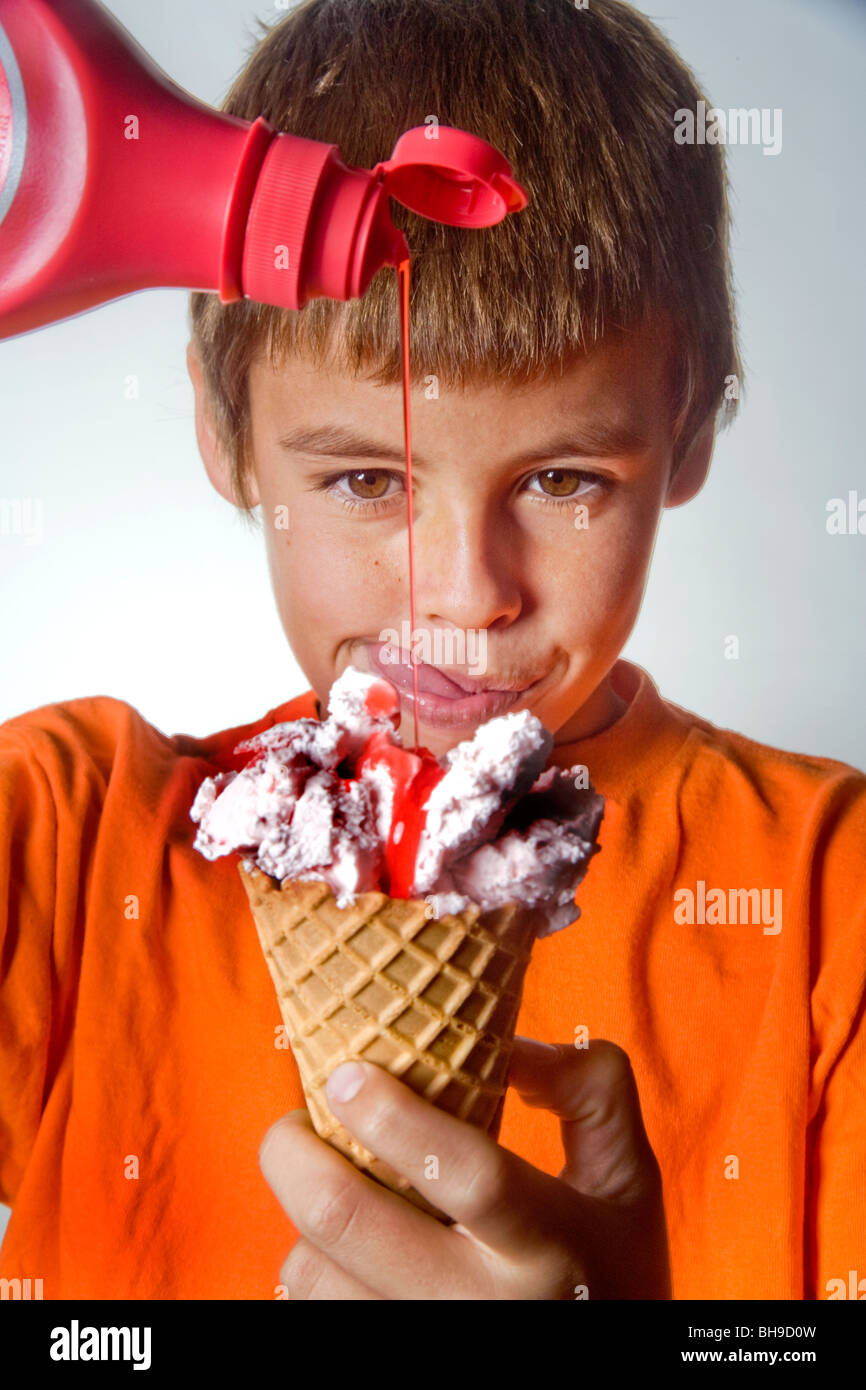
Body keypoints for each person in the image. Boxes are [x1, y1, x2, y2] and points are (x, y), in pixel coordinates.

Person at [1, 0, 863, 1301]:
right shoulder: (65, 841)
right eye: (361, 480)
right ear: (224, 433)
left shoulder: (829, 899)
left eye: (564, 476)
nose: (461, 593)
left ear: (682, 434)